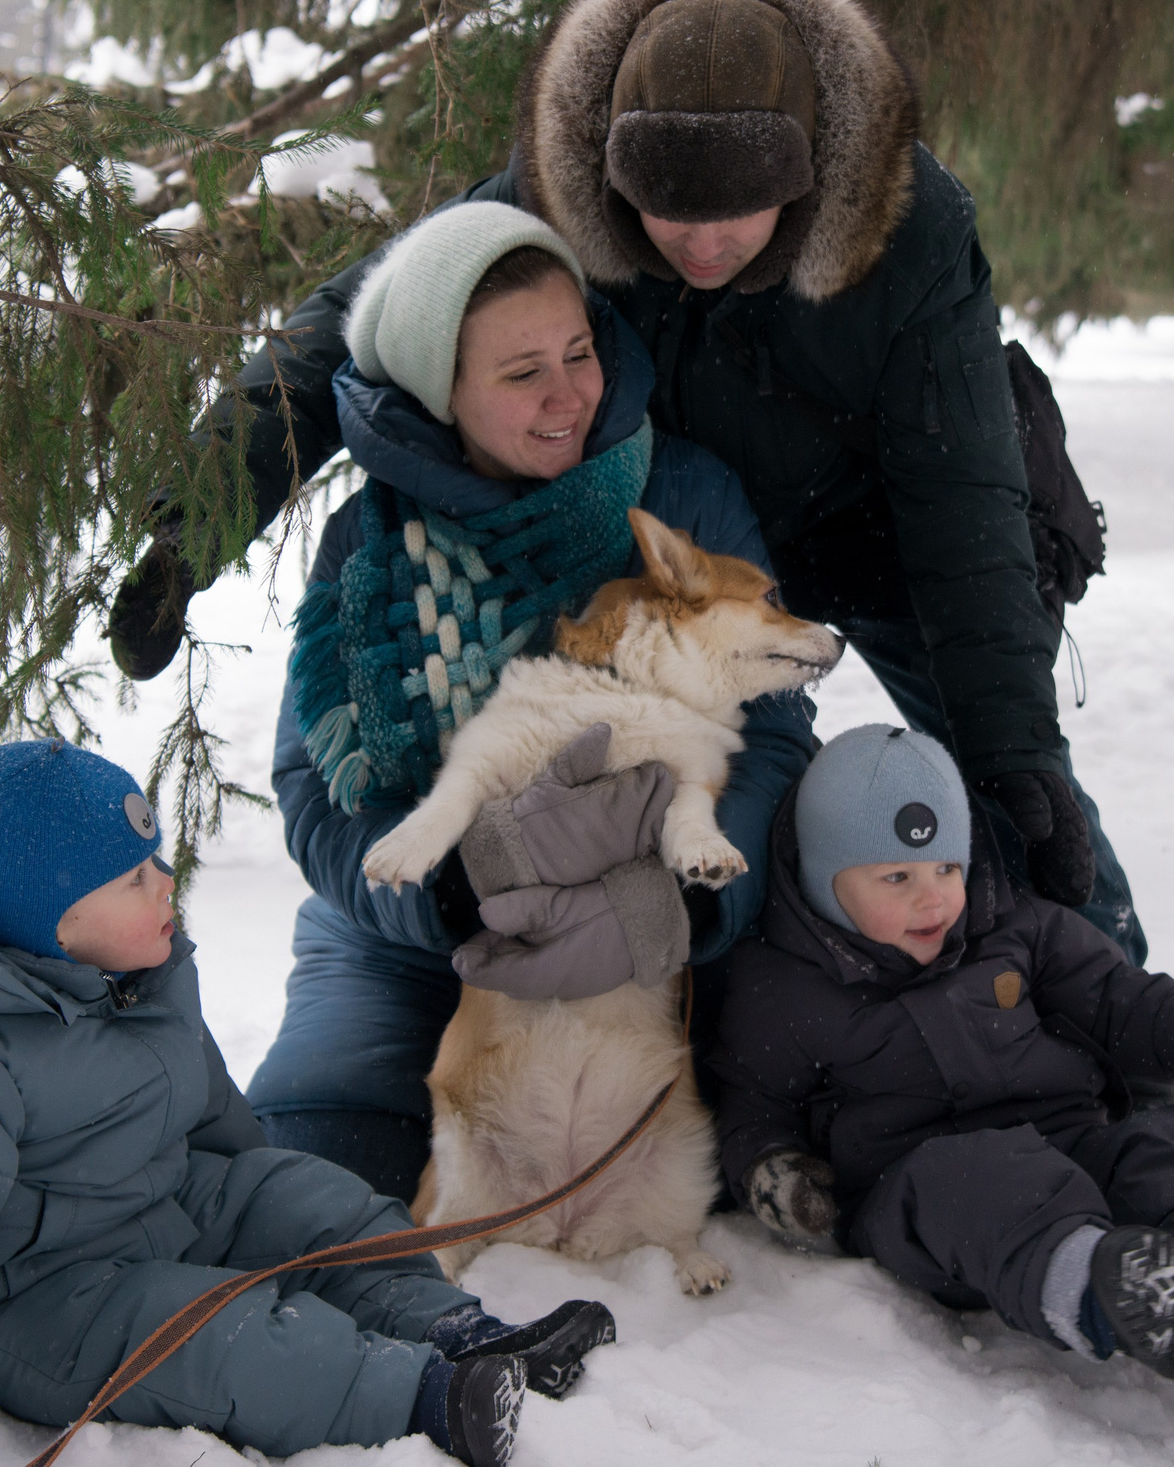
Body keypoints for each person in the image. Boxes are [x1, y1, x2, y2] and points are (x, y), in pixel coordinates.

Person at [109, 0, 1147, 967]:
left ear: (806, 170)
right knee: (703, 775)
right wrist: (197, 519)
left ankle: (1113, 992)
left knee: (1018, 792)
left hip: (874, 530)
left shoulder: (909, 225)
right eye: (666, 212)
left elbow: (960, 492)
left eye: (737, 212)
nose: (700, 246)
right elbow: (360, 319)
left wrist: (1015, 750)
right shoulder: (554, 189)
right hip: (683, 539)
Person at [0, 738, 616, 1467]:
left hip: (162, 1201)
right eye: (134, 876)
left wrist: (269, 1209)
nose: (167, 883)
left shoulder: (132, 964)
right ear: (50, 923)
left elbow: (210, 1106)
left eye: (157, 857)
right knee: (214, 1341)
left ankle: (453, 1328)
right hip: (39, 1298)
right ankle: (425, 1395)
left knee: (318, 1200)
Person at [245, 201, 818, 1199]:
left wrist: (679, 900)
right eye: (521, 374)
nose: (569, 398)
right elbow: (316, 790)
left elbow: (769, 731)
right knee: (323, 1157)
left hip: (652, 924)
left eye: (578, 351)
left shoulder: (678, 494)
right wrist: (454, 902)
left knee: (787, 1089)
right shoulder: (369, 552)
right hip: (416, 934)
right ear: (443, 392)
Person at [709, 725, 1174, 1447]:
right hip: (921, 1184)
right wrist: (774, 1170)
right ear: (823, 881)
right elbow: (749, 1100)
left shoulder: (1015, 924)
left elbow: (1116, 992)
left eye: (947, 868)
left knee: (1159, 1145)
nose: (933, 900)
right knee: (980, 1177)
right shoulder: (780, 987)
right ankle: (1106, 1296)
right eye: (897, 878)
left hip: (1069, 1134)